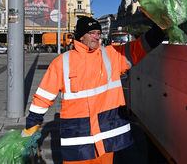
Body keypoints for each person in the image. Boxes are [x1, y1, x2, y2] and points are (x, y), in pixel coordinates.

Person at [22, 16, 165, 163]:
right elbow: (43, 96)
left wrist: (161, 29)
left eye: (98, 32)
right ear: (81, 36)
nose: (97, 36)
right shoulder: (62, 62)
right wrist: (31, 126)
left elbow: (139, 48)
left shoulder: (111, 55)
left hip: (106, 139)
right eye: (92, 32)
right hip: (78, 139)